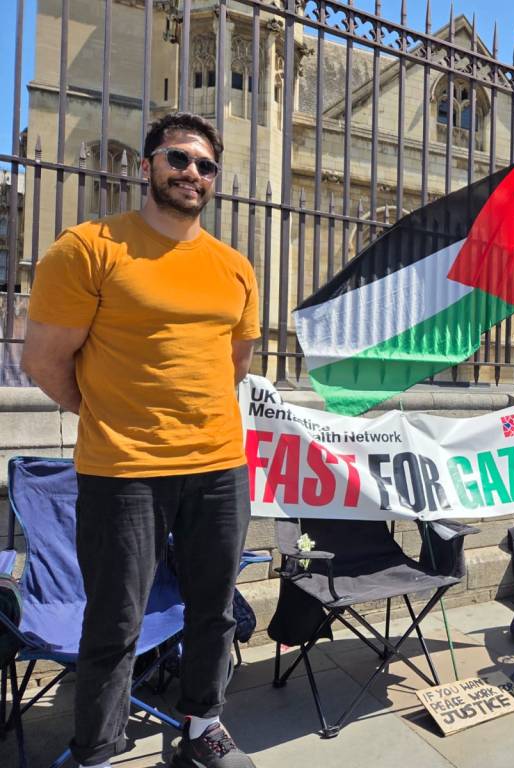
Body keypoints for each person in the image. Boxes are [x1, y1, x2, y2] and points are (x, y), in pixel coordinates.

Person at [21, 112, 260, 768]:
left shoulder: (234, 267)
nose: (192, 173)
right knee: (114, 623)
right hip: (122, 470)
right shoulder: (89, 248)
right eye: (178, 159)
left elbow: (232, 364)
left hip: (218, 467)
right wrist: (111, 414)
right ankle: (97, 749)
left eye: (205, 165)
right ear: (148, 163)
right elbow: (44, 363)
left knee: (213, 608)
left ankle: (203, 723)